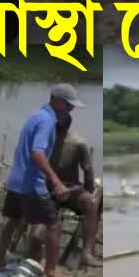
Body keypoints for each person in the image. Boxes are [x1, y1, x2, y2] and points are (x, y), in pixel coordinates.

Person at [0, 84, 84, 277]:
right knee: (54, 225)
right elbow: (37, 152)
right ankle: (50, 272)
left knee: (12, 222)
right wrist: (56, 181)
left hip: (16, 180)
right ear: (57, 100)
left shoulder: (35, 116)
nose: (71, 110)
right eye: (69, 106)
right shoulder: (47, 121)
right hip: (32, 183)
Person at [43, 113, 101, 267]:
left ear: (66, 128)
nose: (57, 134)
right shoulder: (43, 141)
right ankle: (38, 257)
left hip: (70, 189)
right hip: (47, 190)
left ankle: (87, 253)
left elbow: (88, 173)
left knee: (90, 203)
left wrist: (86, 194)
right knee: (37, 233)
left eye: (60, 130)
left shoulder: (78, 144)